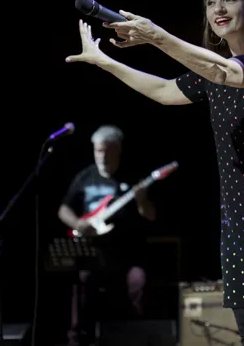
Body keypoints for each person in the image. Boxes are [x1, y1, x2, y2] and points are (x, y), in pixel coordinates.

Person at [66, 0, 244, 345]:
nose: (218, 8)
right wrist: (104, 62)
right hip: (239, 223)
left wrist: (155, 36)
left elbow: (226, 71)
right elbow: (164, 90)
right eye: (211, 2)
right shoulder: (213, 70)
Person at [58, 124, 156, 346]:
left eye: (106, 150)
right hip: (92, 253)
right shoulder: (85, 177)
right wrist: (78, 223)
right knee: (81, 282)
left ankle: (136, 336)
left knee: (138, 280)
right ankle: (76, 338)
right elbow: (63, 209)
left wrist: (142, 201)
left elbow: (151, 216)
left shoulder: (132, 178)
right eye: (98, 150)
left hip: (127, 253)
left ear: (118, 150)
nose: (101, 156)